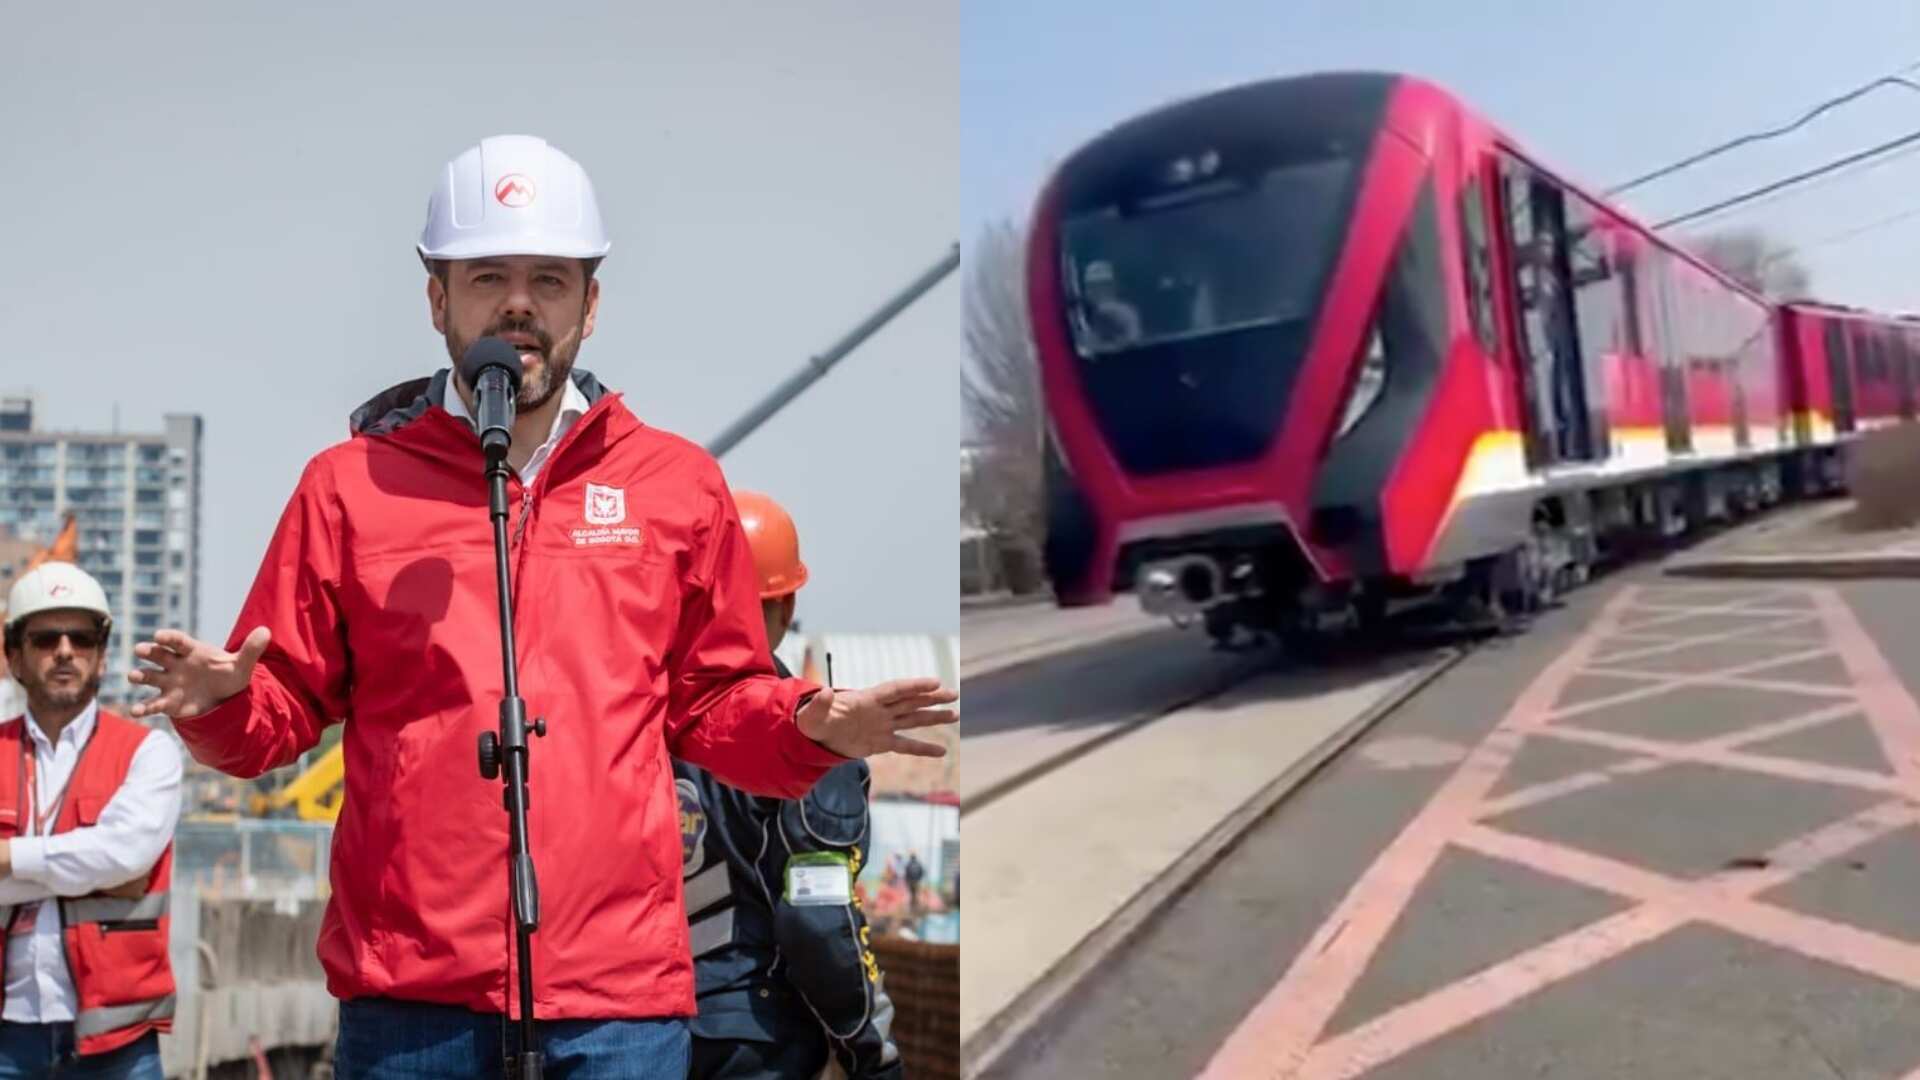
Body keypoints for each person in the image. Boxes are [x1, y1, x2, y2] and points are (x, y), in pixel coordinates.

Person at [123, 134, 956, 1078]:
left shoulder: (676, 486)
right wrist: (220, 705)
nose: (519, 303)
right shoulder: (348, 488)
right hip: (412, 1009)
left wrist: (813, 725)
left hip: (618, 1010)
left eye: (550, 280)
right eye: (488, 276)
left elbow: (714, 704)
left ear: (591, 305)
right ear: (437, 298)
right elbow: (276, 717)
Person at [676, 491, 904, 1079]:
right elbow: (819, 919)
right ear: (788, 601)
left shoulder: (626, 716)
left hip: (621, 1033)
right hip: (750, 1039)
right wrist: (873, 1056)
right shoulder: (816, 740)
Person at [0, 562, 183, 1078]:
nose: (64, 651)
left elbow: (126, 856)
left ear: (101, 655)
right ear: (14, 656)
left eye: (80, 638)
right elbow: (112, 868)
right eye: (44, 639)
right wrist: (93, 871)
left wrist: (12, 857)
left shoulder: (150, 753)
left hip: (118, 1047)